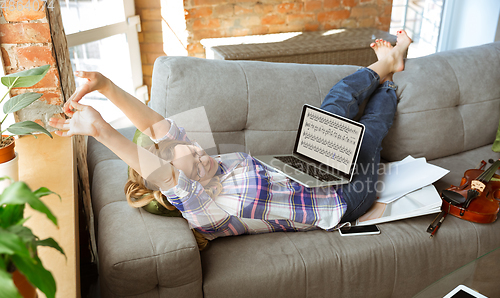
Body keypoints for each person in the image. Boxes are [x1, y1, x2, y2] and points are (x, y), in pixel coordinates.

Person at [49, 31, 412, 250]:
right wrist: (101, 131)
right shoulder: (207, 212)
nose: (199, 152)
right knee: (370, 132)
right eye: (193, 161)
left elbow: (158, 128)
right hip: (342, 199)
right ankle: (390, 81)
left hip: (313, 166)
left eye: (192, 150)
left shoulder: (199, 162)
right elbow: (164, 175)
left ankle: (389, 63)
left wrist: (107, 86)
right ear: (183, 185)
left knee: (337, 102)